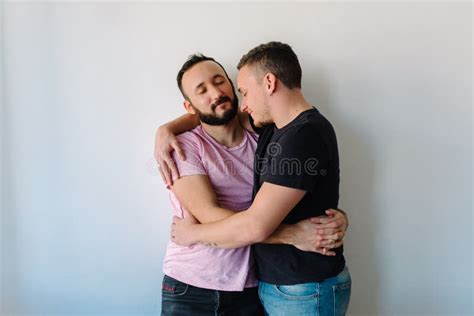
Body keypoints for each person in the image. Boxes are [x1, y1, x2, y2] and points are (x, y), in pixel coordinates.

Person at [165, 42, 351, 315]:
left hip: (264, 286)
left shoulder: (273, 133)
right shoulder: (183, 146)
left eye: (223, 83)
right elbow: (210, 213)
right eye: (201, 90)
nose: (217, 93)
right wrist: (165, 129)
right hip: (196, 284)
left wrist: (333, 216)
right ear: (189, 105)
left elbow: (262, 220)